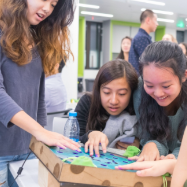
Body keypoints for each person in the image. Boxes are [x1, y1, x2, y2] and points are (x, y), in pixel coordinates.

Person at [0, 0, 80, 186]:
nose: (47, 9)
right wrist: (40, 131)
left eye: (53, 4)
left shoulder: (35, 42)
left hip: (27, 150)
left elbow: (39, 97)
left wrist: (43, 136)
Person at [119, 41, 187, 163]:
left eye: (166, 86)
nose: (158, 93)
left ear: (184, 76)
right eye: (149, 85)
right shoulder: (140, 89)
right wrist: (151, 145)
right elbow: (149, 135)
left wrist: (176, 158)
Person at [75, 59, 139, 156]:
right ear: (98, 90)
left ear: (132, 92)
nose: (113, 101)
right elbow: (72, 139)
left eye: (122, 94)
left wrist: (139, 144)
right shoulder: (87, 102)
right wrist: (90, 135)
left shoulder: (137, 108)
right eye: (107, 92)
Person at [129, 9, 158, 75]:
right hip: (142, 80)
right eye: (155, 20)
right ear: (148, 20)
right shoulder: (142, 38)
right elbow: (147, 63)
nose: (157, 24)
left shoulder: (142, 37)